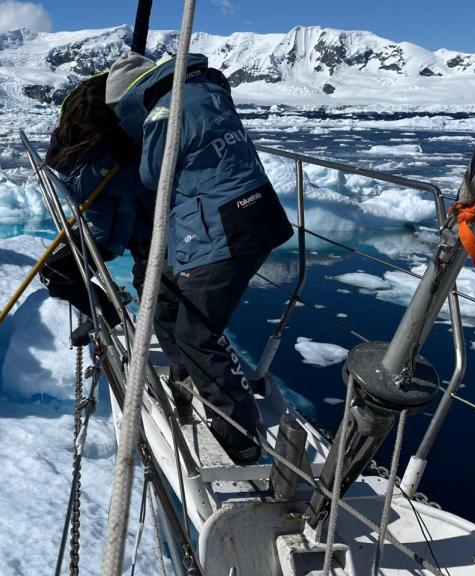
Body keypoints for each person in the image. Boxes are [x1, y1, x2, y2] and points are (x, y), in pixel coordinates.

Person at [104, 51, 294, 464]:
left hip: (224, 224)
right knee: (169, 296)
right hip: (258, 212)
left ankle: (240, 438)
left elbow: (155, 176)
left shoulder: (161, 111)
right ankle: (187, 375)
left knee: (197, 333)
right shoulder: (206, 90)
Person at [40, 73, 154, 345]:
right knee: (58, 272)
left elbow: (101, 198)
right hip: (106, 227)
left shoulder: (108, 157)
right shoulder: (104, 151)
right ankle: (105, 312)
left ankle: (110, 315)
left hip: (109, 232)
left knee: (57, 273)